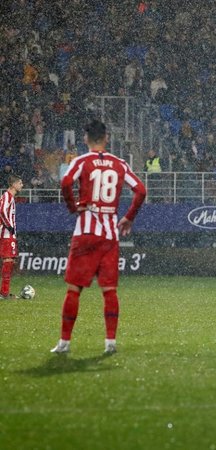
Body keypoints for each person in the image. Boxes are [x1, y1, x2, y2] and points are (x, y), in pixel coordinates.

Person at [50, 120, 147, 354]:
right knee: (109, 290)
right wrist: (129, 217)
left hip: (85, 232)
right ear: (107, 138)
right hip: (109, 234)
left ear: (85, 139)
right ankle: (110, 343)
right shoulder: (119, 164)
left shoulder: (81, 161)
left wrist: (73, 207)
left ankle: (64, 343)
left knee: (74, 289)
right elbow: (141, 190)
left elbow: (65, 182)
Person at [0, 174, 23, 299]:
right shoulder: (7, 196)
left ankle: (4, 292)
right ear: (14, 184)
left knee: (10, 261)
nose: (22, 185)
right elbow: (2, 211)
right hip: (6, 235)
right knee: (8, 261)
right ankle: (4, 293)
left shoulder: (10, 197)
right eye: (20, 183)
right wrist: (9, 226)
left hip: (9, 235)